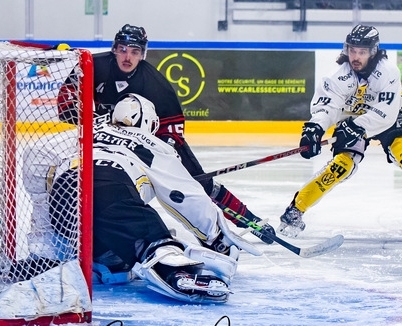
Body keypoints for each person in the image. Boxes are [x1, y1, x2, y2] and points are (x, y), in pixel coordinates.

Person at [22, 93, 262, 303]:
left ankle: (102, 261)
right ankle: (170, 266)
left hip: (63, 199)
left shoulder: (89, 128)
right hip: (109, 188)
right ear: (149, 122)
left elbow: (37, 152)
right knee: (147, 229)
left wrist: (43, 206)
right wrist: (214, 235)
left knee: (116, 258)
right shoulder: (150, 143)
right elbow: (182, 195)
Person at [57, 23, 275, 243]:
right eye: (122, 49)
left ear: (143, 54)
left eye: (134, 52)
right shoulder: (94, 65)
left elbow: (174, 126)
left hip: (149, 138)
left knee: (201, 184)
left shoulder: (154, 82)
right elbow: (65, 100)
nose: (127, 57)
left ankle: (251, 221)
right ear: (114, 49)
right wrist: (91, 122)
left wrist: (161, 153)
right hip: (108, 138)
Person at [276, 25, 402, 240]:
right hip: (352, 117)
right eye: (352, 50)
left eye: (362, 52)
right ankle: (296, 208)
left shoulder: (388, 72)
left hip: (392, 115)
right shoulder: (338, 76)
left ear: (373, 51)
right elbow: (327, 106)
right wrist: (316, 128)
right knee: (341, 166)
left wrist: (358, 127)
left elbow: (385, 113)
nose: (355, 57)